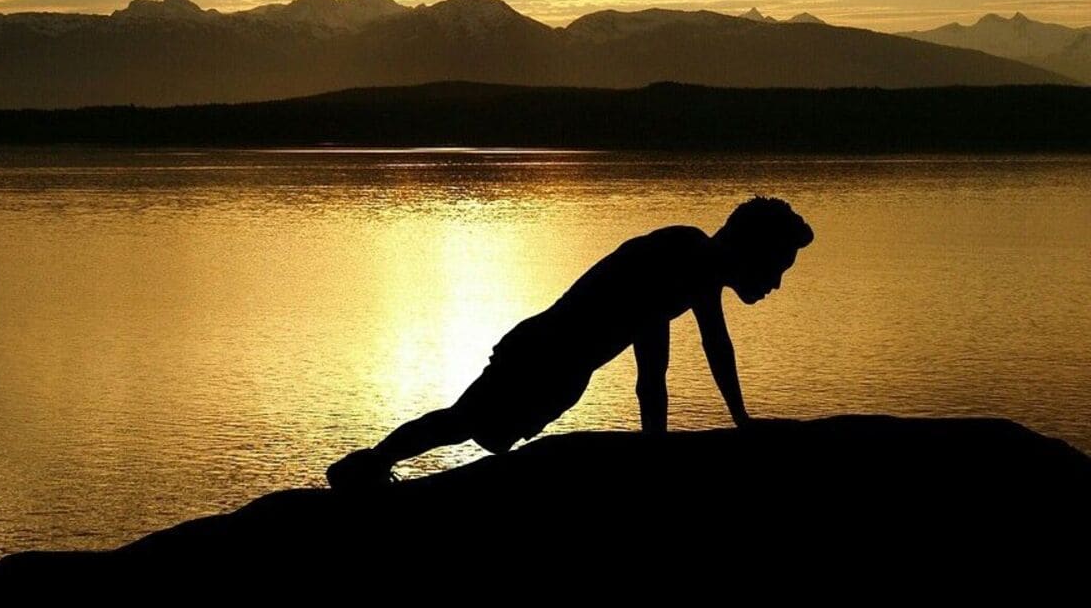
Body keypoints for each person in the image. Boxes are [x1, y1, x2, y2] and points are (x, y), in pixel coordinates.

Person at [326, 196, 813, 490]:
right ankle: (366, 465)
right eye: (775, 267)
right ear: (751, 251)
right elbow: (661, 368)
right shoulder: (685, 258)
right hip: (543, 355)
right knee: (465, 422)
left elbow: (703, 349)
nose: (775, 283)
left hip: (557, 366)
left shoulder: (694, 264)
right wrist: (664, 450)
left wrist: (735, 421)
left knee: (472, 426)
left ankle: (370, 464)